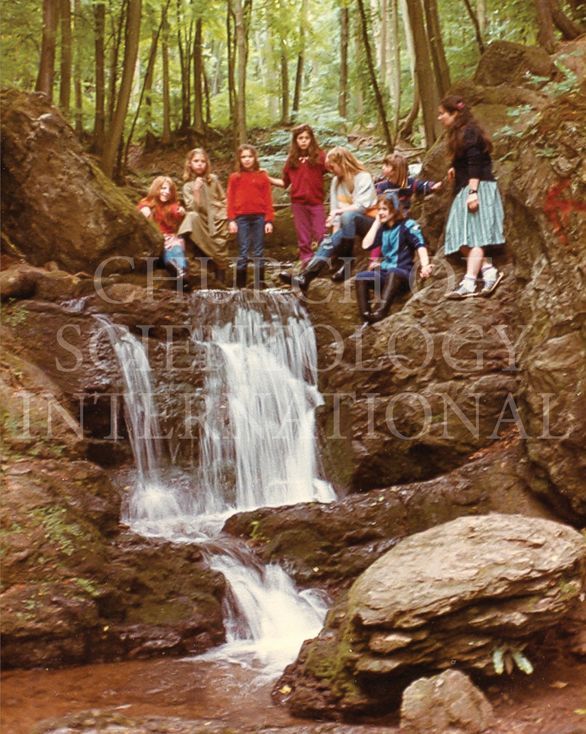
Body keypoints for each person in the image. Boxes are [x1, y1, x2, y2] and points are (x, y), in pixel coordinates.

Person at [278, 146, 377, 292]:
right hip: (347, 223)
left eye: (332, 167)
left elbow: (362, 206)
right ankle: (306, 276)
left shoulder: (363, 177)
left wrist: (338, 212)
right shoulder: (336, 182)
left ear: (342, 163)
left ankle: (347, 264)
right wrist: (334, 234)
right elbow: (335, 210)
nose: (331, 171)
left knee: (348, 215)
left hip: (370, 223)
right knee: (329, 240)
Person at [437, 95, 505, 299]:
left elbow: (476, 163)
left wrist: (473, 193)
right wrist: (454, 169)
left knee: (474, 237)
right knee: (459, 238)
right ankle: (489, 271)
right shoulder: (459, 134)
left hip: (477, 187)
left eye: (442, 114)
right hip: (464, 188)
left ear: (455, 113)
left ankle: (469, 282)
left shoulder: (470, 132)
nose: (439, 118)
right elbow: (466, 161)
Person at [355, 192, 432, 324]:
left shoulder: (408, 225)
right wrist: (377, 223)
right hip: (386, 274)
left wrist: (425, 265)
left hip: (403, 274)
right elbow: (366, 245)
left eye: (384, 209)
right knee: (361, 277)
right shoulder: (383, 229)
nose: (380, 212)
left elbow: (420, 245)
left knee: (393, 272)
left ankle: (380, 312)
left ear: (394, 209)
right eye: (379, 209)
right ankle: (366, 316)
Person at [270, 124, 328, 266]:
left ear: (311, 139)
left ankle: (322, 259)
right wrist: (267, 179)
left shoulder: (320, 156)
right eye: (300, 138)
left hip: (316, 201)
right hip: (298, 203)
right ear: (295, 141)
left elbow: (333, 169)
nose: (303, 141)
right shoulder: (292, 160)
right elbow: (285, 183)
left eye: (307, 138)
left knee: (320, 232)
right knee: (303, 235)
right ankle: (306, 260)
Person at [178, 148, 230, 283]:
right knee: (191, 217)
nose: (199, 164)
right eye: (196, 161)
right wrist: (196, 190)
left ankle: (221, 281)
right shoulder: (188, 186)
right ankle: (185, 253)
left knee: (220, 248)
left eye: (202, 161)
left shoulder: (213, 180)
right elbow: (193, 208)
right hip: (201, 220)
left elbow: (224, 199)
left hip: (217, 219)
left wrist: (224, 212)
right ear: (190, 164)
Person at [227, 144, 274, 289]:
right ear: (239, 160)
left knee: (259, 251)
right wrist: (231, 220)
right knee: (243, 251)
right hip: (241, 218)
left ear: (255, 158)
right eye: (243, 157)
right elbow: (230, 199)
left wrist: (269, 221)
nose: (247, 160)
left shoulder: (262, 177)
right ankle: (240, 287)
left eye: (249, 156)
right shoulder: (235, 177)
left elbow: (268, 199)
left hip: (259, 217)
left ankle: (259, 285)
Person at [138, 176, 188, 284]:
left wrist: (180, 212)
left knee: (176, 248)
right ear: (156, 188)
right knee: (166, 248)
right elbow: (142, 207)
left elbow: (176, 210)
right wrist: (144, 210)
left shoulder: (172, 205)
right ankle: (175, 268)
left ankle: (181, 271)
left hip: (169, 237)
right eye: (163, 188)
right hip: (155, 239)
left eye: (170, 190)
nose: (167, 192)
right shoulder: (147, 203)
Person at [375, 151, 441, 211]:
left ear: (396, 170)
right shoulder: (381, 186)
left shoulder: (410, 183)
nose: (382, 167)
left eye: (386, 166)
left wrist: (433, 185)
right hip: (389, 215)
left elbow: (423, 185)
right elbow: (379, 204)